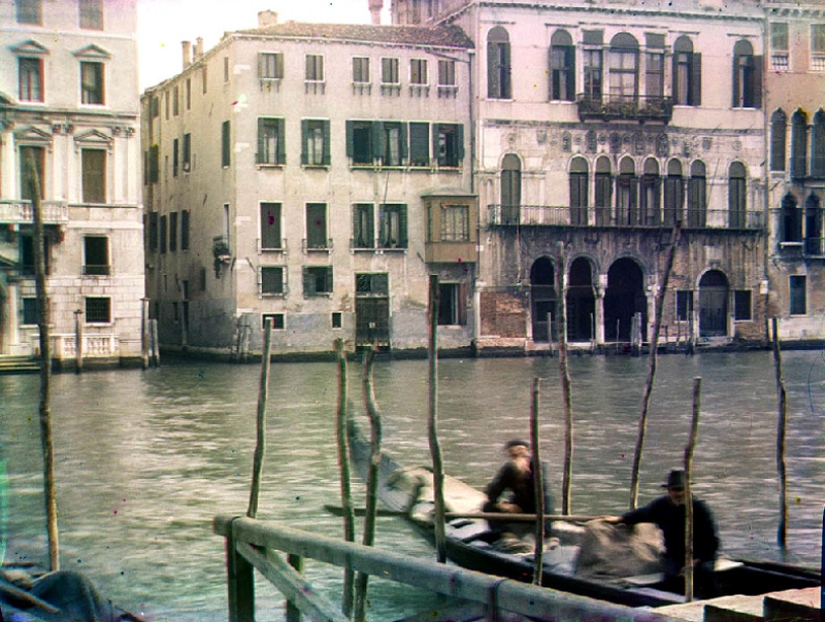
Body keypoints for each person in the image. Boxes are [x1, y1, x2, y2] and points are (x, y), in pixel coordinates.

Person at [606, 469, 720, 597]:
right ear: (669, 491)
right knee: (671, 576)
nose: (679, 494)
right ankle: (674, 601)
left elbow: (712, 542)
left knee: (705, 572)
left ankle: (713, 599)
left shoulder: (700, 509)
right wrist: (621, 519)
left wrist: (694, 562)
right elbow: (643, 513)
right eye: (675, 490)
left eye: (682, 490)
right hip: (675, 554)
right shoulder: (662, 505)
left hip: (701, 555)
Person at [483, 439, 553, 539]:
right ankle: (505, 534)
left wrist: (526, 473)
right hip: (519, 510)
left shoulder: (538, 466)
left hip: (538, 511)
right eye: (515, 454)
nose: (519, 456)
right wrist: (504, 506)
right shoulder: (509, 469)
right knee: (488, 507)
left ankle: (547, 534)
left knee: (545, 502)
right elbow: (493, 493)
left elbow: (540, 493)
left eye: (522, 452)